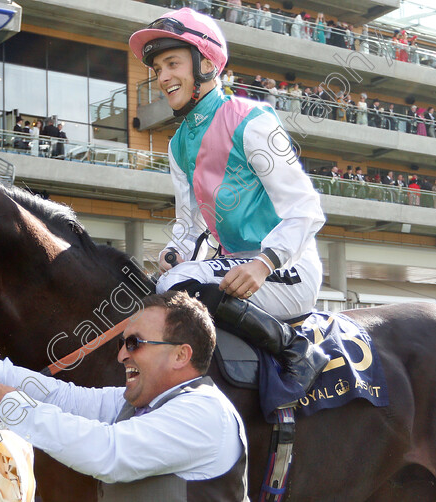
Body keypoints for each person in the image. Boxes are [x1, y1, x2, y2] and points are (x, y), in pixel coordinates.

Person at [128, 8, 329, 401]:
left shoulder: (252, 120)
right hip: (237, 267)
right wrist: (174, 252)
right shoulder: (178, 144)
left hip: (288, 267)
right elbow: (187, 225)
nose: (162, 77)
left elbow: (307, 208)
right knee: (160, 283)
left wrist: (265, 261)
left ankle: (294, 348)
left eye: (172, 63)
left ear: (206, 63)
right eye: (157, 69)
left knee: (177, 284)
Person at [0, 291, 248, 500]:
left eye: (135, 343)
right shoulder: (146, 403)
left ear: (181, 355)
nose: (122, 355)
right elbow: (68, 398)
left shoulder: (203, 412)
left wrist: (13, 408)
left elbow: (107, 452)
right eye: (122, 343)